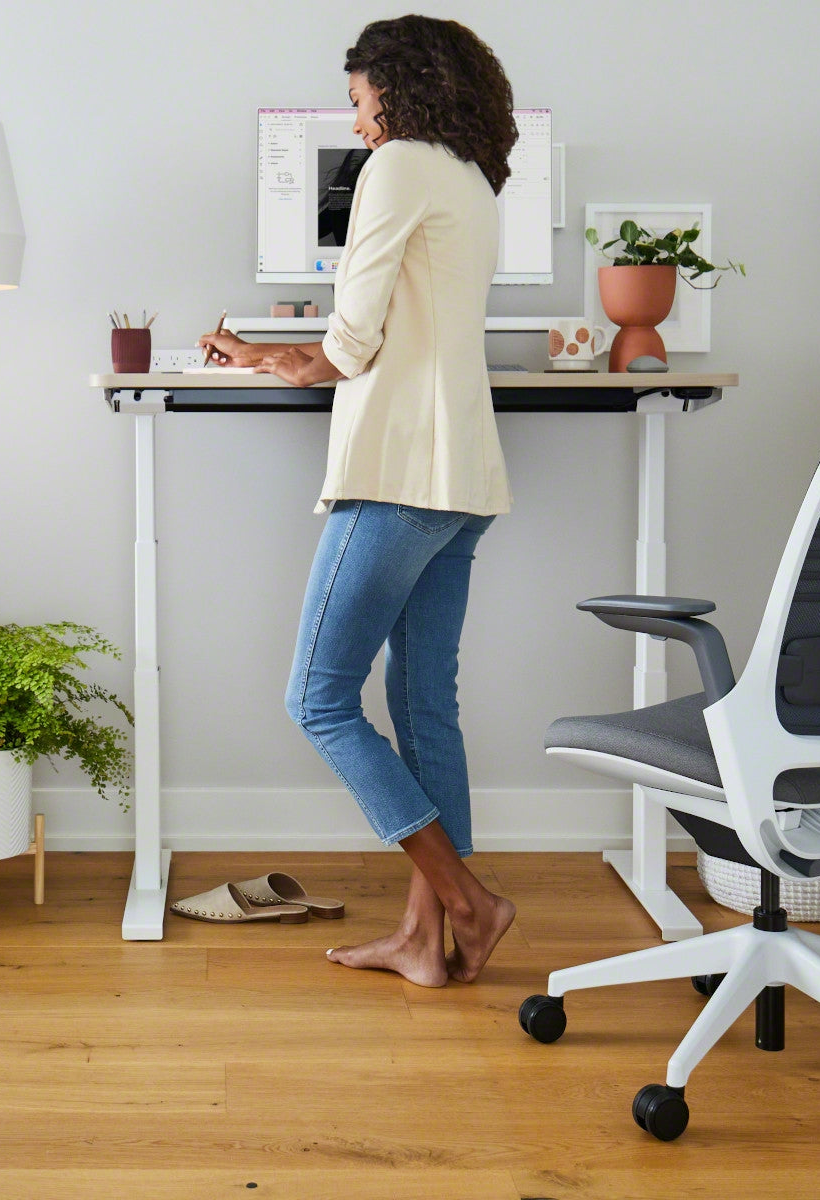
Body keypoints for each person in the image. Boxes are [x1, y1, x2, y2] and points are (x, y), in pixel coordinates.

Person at [197, 15, 517, 988]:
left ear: (397, 86)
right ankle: (426, 940)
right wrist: (287, 354)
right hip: (462, 478)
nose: (358, 119)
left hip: (399, 473)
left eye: (358, 99)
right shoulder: (469, 174)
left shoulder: (402, 166)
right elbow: (397, 329)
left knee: (318, 696)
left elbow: (354, 334)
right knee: (425, 709)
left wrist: (284, 360)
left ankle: (465, 901)